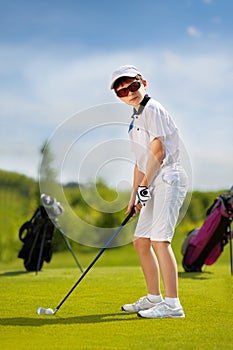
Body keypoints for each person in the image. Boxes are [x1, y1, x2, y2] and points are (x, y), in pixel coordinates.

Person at [110, 65, 188, 318]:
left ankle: (173, 304)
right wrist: (134, 197)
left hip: (168, 178)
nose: (128, 93)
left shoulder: (152, 109)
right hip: (153, 181)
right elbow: (140, 163)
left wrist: (144, 190)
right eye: (121, 92)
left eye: (132, 86)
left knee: (159, 241)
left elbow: (159, 152)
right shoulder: (135, 118)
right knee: (141, 241)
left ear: (143, 82)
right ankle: (154, 298)